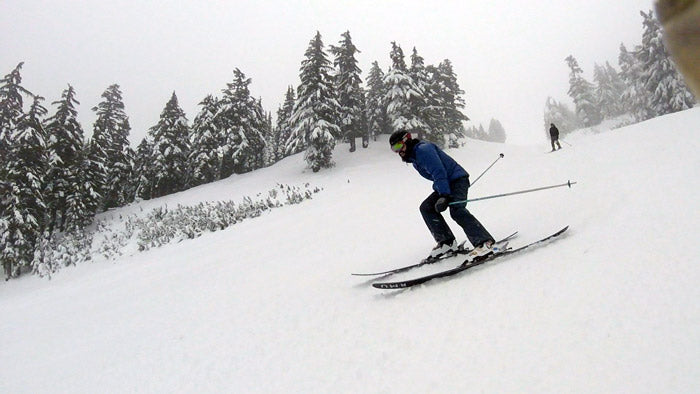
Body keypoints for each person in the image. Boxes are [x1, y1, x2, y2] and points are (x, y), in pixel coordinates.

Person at [389, 130, 495, 262]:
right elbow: (436, 176)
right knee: (427, 208)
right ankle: (447, 243)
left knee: (457, 210)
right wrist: (441, 192)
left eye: (398, 146)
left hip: (458, 180)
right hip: (447, 183)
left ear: (407, 140)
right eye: (394, 149)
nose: (398, 151)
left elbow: (439, 171)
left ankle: (484, 242)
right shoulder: (414, 157)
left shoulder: (423, 150)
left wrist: (444, 195)